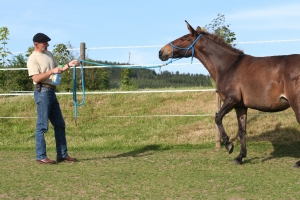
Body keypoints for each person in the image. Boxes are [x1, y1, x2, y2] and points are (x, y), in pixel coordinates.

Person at [27, 33, 79, 164]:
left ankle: (62, 154)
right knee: (42, 125)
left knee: (60, 124)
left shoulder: (49, 54)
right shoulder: (32, 59)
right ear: (36, 44)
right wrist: (51, 72)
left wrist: (69, 65)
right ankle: (41, 156)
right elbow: (36, 78)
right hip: (42, 91)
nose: (47, 45)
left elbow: (58, 69)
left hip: (51, 91)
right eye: (45, 43)